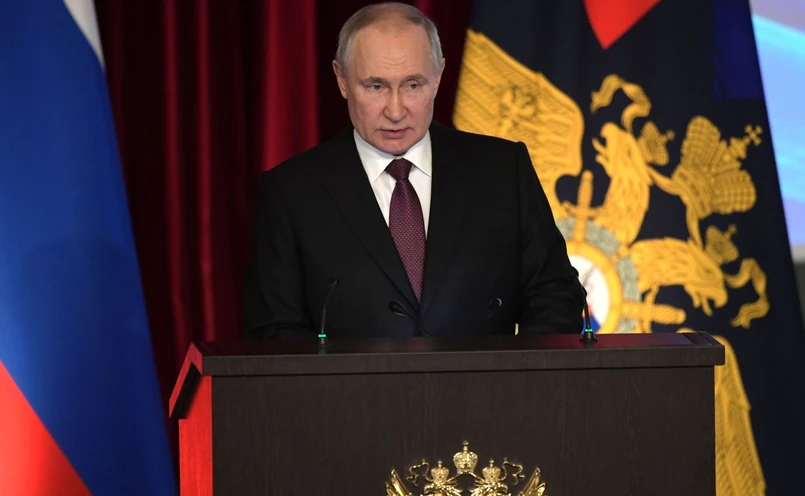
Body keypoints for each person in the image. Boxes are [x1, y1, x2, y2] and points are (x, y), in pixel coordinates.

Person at [243, 2, 584, 340]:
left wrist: (516, 370)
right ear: (342, 80)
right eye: (376, 86)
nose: (395, 111)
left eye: (412, 85)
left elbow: (554, 294)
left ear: (438, 77)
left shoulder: (503, 170)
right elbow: (274, 332)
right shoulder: (291, 192)